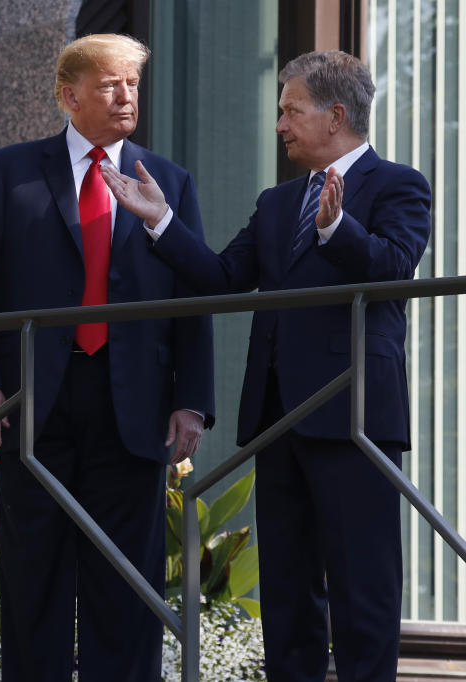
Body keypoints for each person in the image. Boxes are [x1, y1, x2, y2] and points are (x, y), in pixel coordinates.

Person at [102, 50, 430, 681]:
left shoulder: (398, 184)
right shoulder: (279, 202)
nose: (279, 124)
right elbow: (225, 278)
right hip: (279, 420)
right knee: (288, 595)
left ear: (336, 116)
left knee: (364, 593)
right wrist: (160, 221)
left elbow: (393, 268)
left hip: (355, 416)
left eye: (290, 110)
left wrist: (339, 233)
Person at [0, 34, 215, 681]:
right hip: (34, 403)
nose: (126, 95)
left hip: (135, 408)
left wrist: (192, 401)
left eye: (132, 83)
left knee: (126, 585)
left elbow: (192, 300)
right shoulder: (12, 171)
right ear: (69, 96)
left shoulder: (169, 181)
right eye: (109, 84)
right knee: (34, 579)